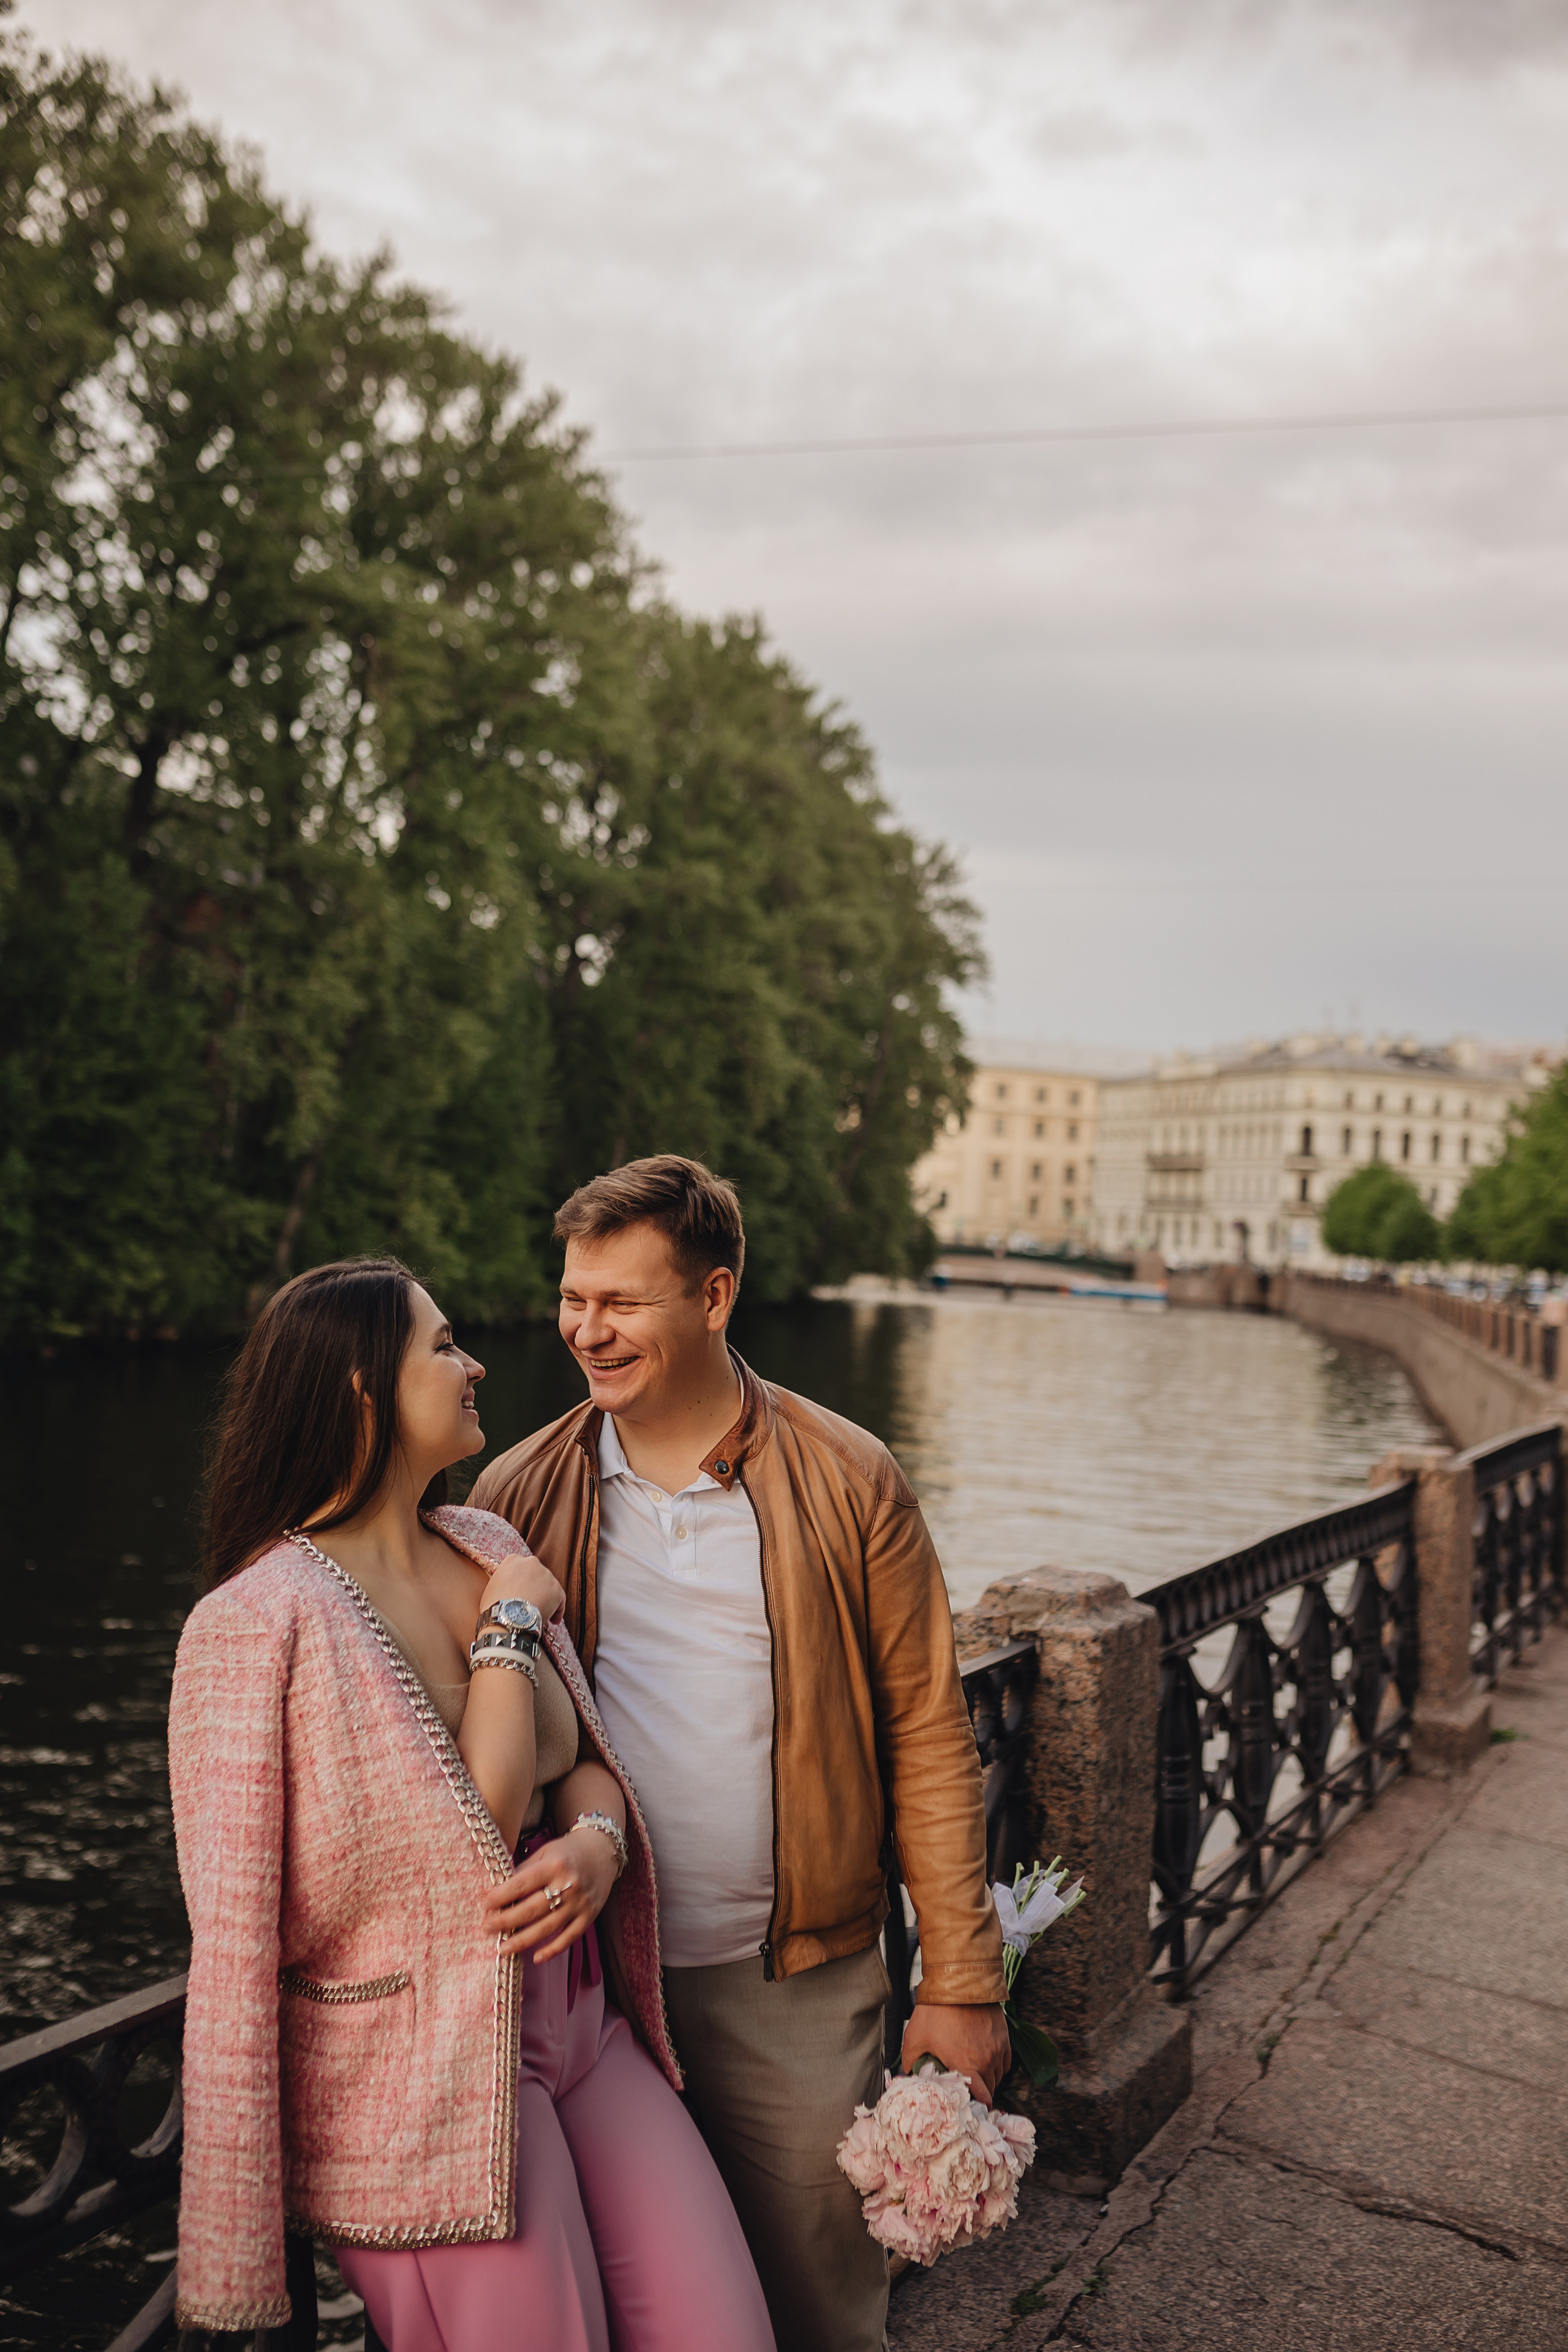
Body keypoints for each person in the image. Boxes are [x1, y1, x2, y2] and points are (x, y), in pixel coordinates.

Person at [168, 1255, 774, 2352]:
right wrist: (506, 1629)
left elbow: (581, 1761)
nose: (475, 1359)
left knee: (723, 2329)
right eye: (443, 1346)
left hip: (584, 2025)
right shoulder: (257, 1622)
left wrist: (597, 1842)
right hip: (423, 2077)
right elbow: (474, 1834)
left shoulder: (484, 1542)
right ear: (362, 1392)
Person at [472, 1158, 1008, 2352]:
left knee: (818, 2309)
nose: (584, 1330)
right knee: (622, 2315)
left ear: (713, 1299)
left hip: (791, 1986)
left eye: (620, 1302)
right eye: (573, 1297)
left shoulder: (849, 1479)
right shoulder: (520, 1486)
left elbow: (926, 1733)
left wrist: (960, 1980)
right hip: (592, 1991)